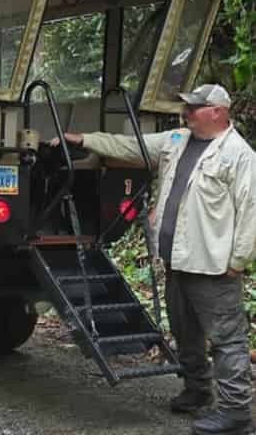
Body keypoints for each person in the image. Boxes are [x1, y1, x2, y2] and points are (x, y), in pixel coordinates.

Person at [54, 84, 256, 435]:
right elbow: (130, 146)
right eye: (187, 107)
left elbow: (252, 213)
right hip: (178, 260)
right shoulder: (177, 140)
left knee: (227, 340)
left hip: (213, 266)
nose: (187, 112)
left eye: (196, 107)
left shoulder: (239, 155)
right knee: (185, 332)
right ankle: (197, 390)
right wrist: (84, 139)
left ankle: (236, 412)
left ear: (218, 111)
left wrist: (238, 261)